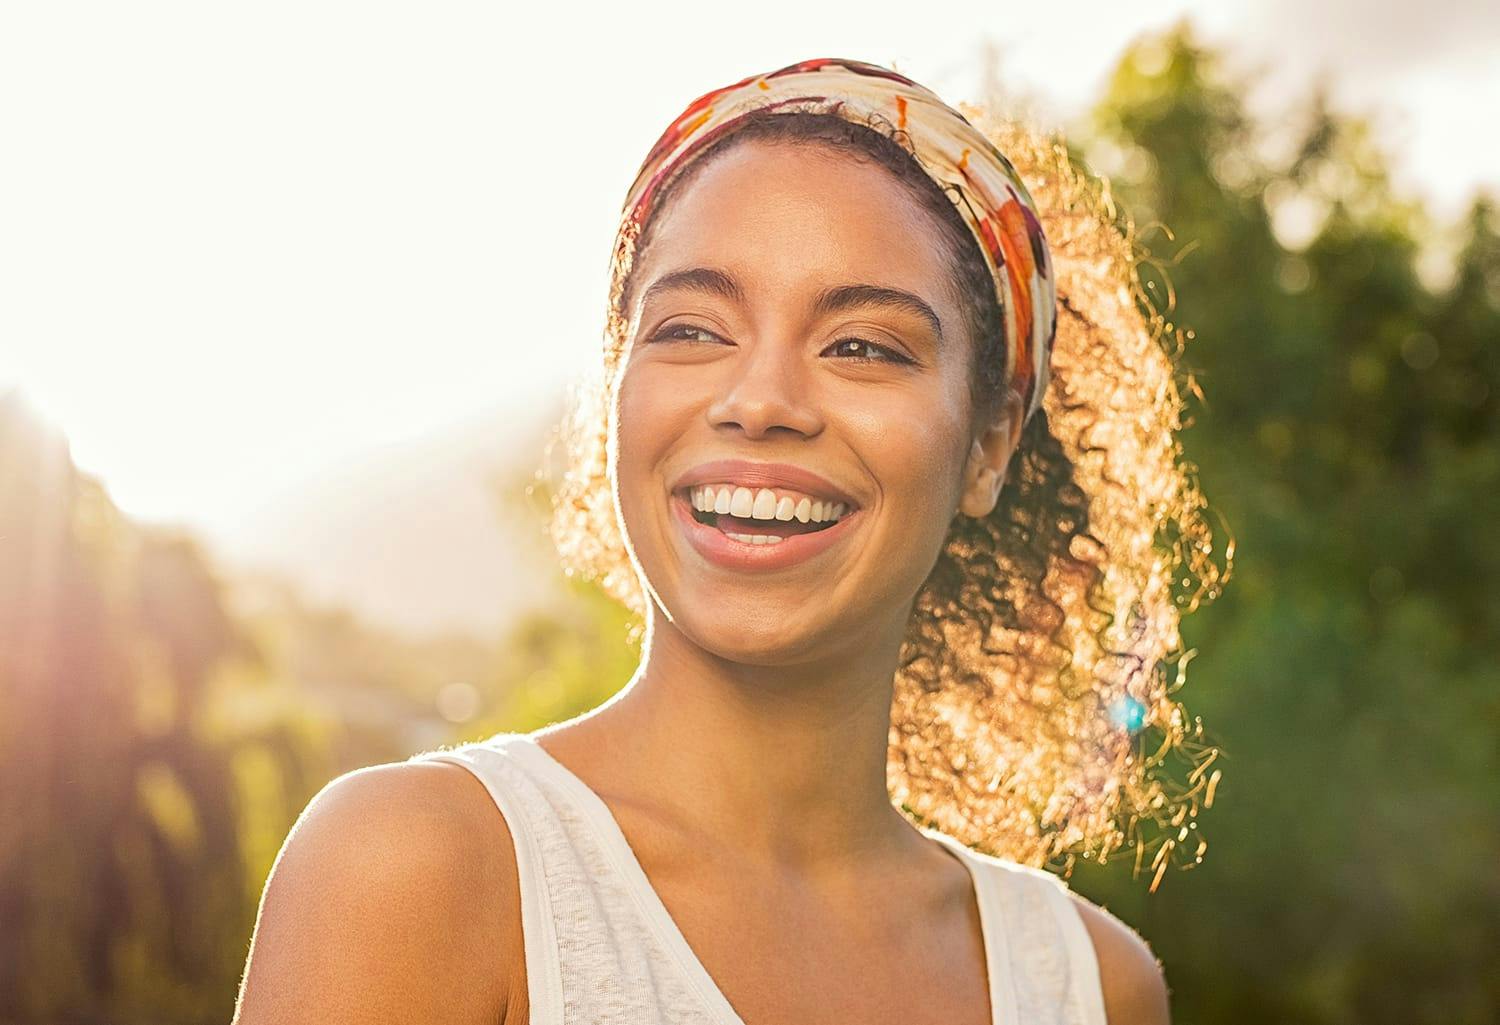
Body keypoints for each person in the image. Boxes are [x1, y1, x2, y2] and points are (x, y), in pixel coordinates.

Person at [235, 56, 1224, 1025]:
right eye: (693, 329)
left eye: (863, 346)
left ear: (989, 441)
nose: (760, 402)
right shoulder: (416, 868)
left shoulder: (1089, 984)